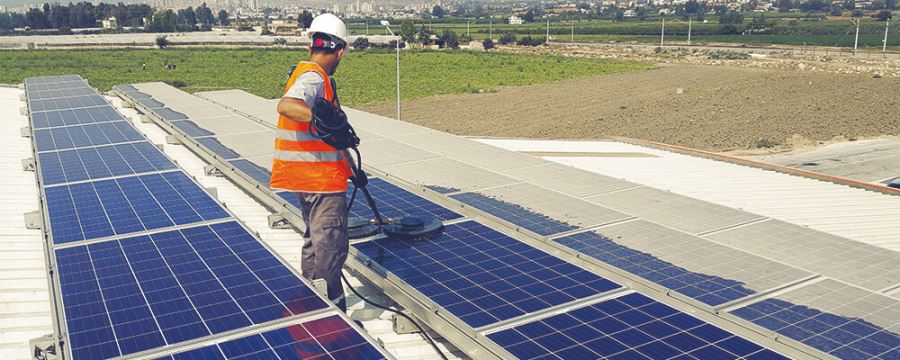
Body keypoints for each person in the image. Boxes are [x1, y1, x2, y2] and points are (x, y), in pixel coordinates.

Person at [270, 13, 352, 311]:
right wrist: (323, 121)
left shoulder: (307, 73)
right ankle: (333, 310)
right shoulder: (314, 77)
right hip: (321, 183)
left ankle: (313, 304)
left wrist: (351, 168)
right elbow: (288, 105)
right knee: (329, 245)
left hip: (307, 179)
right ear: (340, 50)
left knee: (313, 242)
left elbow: (326, 141)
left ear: (311, 45)